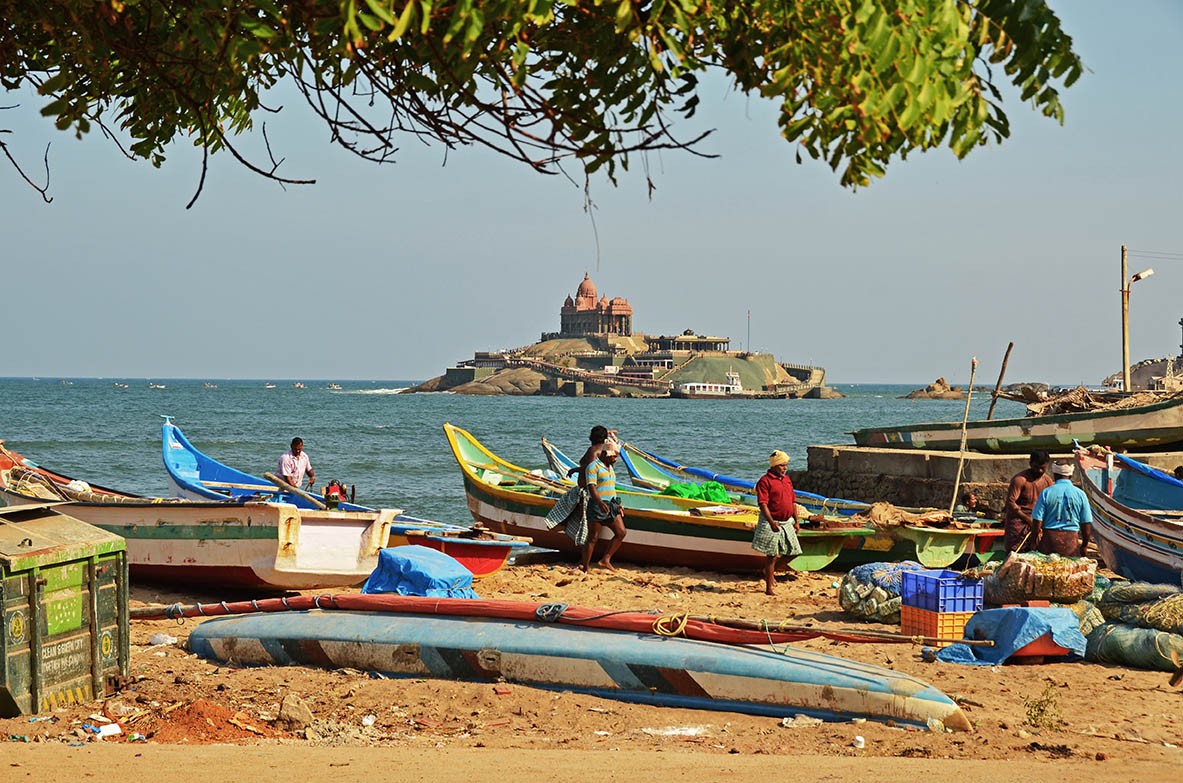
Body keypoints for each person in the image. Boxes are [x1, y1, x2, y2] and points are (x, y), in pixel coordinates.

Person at [752, 450, 802, 595]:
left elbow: (793, 501)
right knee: (772, 555)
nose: (785, 468)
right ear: (774, 466)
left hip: (787, 521)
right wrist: (771, 522)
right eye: (782, 465)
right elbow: (763, 504)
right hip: (771, 521)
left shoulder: (786, 480)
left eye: (786, 465)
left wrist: (796, 521)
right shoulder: (764, 481)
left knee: (794, 551)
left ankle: (770, 572)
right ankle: (769, 587)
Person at [582, 441, 627, 571]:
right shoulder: (593, 467)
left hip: (612, 505)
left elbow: (612, 488)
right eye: (613, 456)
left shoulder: (610, 468)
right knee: (592, 538)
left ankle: (605, 560)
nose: (615, 459)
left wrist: (618, 504)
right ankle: (586, 567)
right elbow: (591, 486)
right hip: (597, 505)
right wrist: (599, 502)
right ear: (605, 454)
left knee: (621, 532)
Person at [1032, 461, 1092, 557]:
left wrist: (1033, 541)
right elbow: (1086, 524)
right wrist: (1084, 546)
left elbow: (1037, 520)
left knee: (1046, 569)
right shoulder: (1080, 494)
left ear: (1055, 474)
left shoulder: (1046, 493)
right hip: (1071, 542)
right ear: (1071, 475)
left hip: (1049, 542)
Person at [1002, 451, 1053, 552]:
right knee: (1016, 553)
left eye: (1043, 468)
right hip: (1019, 524)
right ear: (1030, 464)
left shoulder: (1048, 481)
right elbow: (1011, 502)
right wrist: (1027, 518)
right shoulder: (1020, 480)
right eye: (1036, 467)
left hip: (1038, 523)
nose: (1039, 470)